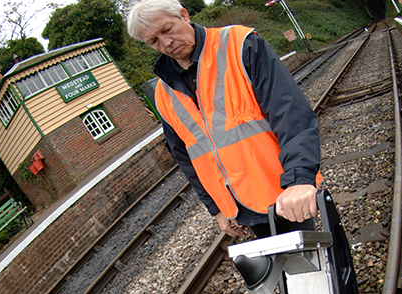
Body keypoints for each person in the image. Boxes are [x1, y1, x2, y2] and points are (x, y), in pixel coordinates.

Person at [127, 0, 322, 238]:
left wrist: (299, 178)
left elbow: (290, 112)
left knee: (311, 265)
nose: (166, 43)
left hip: (283, 190)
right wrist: (217, 209)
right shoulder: (163, 93)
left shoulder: (239, 45)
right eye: (153, 41)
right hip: (241, 205)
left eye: (167, 29)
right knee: (281, 270)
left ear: (184, 15)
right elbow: (186, 156)